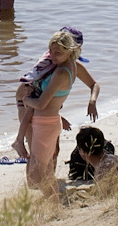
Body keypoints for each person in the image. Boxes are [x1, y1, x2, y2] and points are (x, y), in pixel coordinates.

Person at [10, 26, 98, 163]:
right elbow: (38, 96)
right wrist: (59, 117)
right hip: (26, 101)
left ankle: (48, 179)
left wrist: (92, 101)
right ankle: (19, 142)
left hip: (42, 103)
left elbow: (94, 85)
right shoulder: (51, 63)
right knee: (36, 151)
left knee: (55, 150)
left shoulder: (72, 65)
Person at [20, 28, 86, 194]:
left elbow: (42, 104)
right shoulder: (65, 66)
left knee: (38, 176)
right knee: (45, 171)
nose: (53, 56)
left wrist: (26, 100)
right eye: (51, 51)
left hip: (45, 124)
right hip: (47, 122)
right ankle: (53, 207)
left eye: (58, 53)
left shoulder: (61, 72)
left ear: (70, 51)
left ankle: (53, 207)